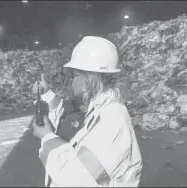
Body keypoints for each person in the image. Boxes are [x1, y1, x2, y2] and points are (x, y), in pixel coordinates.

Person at [32, 36, 143, 187]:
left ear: (89, 78)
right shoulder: (98, 106)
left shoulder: (112, 120)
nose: (71, 81)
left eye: (75, 75)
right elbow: (69, 118)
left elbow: (75, 180)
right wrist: (46, 93)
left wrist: (47, 138)